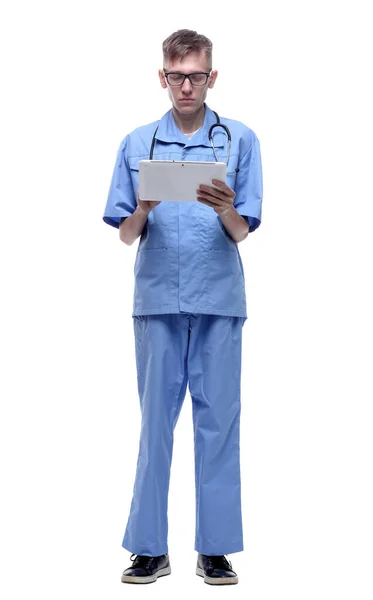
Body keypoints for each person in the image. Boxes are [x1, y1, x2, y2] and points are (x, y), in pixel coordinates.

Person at [102, 28, 263, 586]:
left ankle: (214, 549)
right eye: (177, 75)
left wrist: (226, 209)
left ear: (211, 76)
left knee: (218, 424)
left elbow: (242, 233)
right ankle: (149, 548)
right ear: (162, 77)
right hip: (157, 303)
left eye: (196, 75)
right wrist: (143, 207)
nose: (186, 85)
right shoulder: (136, 143)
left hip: (219, 299)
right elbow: (125, 235)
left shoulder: (239, 140)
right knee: (156, 428)